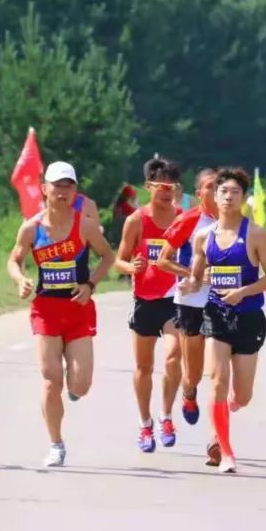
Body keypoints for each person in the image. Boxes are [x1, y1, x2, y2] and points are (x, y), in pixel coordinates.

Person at [7, 162, 115, 467]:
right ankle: (56, 444)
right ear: (45, 190)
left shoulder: (85, 225)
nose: (63, 192)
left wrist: (91, 283)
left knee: (80, 384)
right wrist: (20, 279)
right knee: (50, 379)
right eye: (57, 186)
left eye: (69, 186)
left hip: (78, 309)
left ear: (75, 191)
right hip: (46, 309)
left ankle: (75, 391)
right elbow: (14, 260)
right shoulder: (32, 228)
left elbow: (108, 255)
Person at [183, 167, 266, 473]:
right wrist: (190, 285)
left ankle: (225, 412)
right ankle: (226, 451)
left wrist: (244, 291)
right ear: (214, 195)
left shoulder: (255, 234)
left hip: (248, 315)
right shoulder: (202, 237)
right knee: (217, 381)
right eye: (223, 191)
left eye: (235, 192)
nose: (227, 197)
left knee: (243, 395)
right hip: (216, 315)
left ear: (244, 198)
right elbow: (197, 279)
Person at [114, 156, 184, 452]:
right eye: (161, 186)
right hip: (144, 300)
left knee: (173, 355)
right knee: (144, 367)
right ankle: (145, 425)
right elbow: (118, 260)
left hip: (174, 299)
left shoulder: (183, 218)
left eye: (172, 186)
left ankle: (166, 415)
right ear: (148, 186)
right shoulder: (136, 220)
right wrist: (133, 268)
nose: (167, 192)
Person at [157, 168, 218, 443]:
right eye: (209, 186)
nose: (216, 191)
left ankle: (219, 438)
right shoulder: (190, 220)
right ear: (199, 192)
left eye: (221, 186)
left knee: (219, 368)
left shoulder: (235, 221)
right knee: (193, 372)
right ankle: (189, 392)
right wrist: (194, 275)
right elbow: (163, 260)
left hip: (222, 300)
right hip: (191, 301)